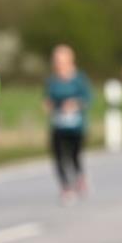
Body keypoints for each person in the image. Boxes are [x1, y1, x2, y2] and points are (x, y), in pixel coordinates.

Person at [44, 45, 92, 206]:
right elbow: (47, 99)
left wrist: (75, 104)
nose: (59, 63)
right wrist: (49, 105)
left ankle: (79, 177)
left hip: (76, 125)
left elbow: (88, 99)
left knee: (74, 155)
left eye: (62, 60)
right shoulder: (52, 81)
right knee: (58, 156)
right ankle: (66, 186)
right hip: (58, 124)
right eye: (57, 60)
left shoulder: (79, 79)